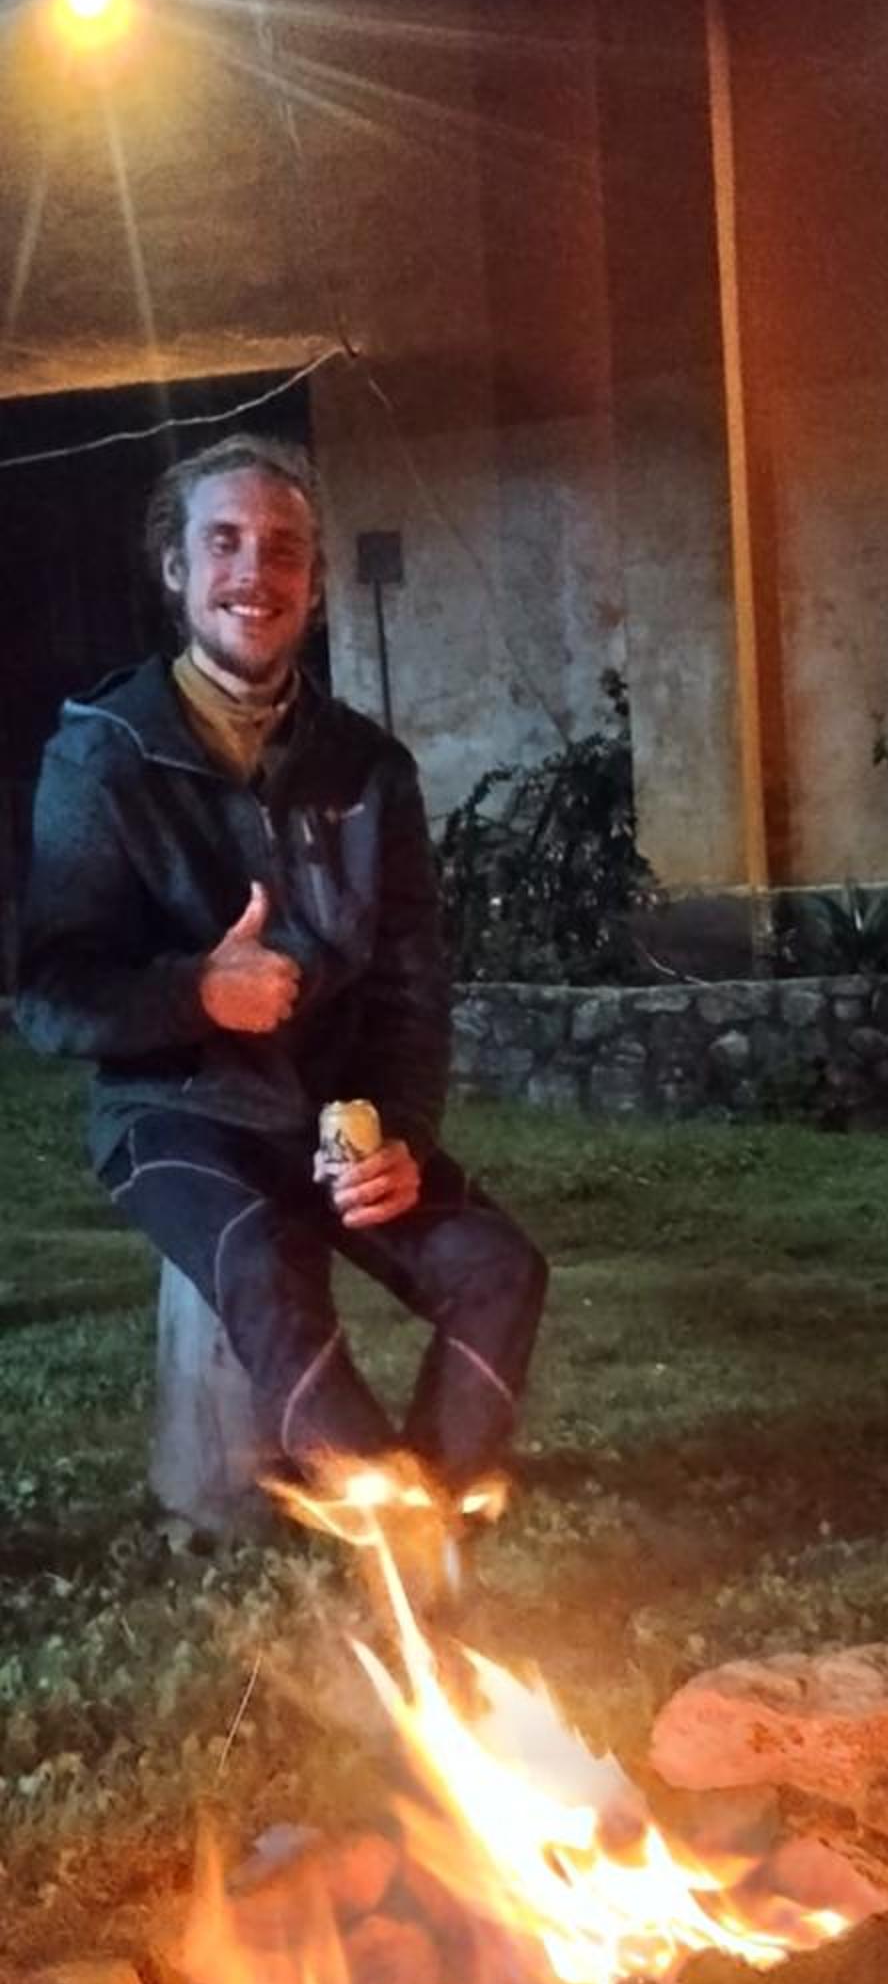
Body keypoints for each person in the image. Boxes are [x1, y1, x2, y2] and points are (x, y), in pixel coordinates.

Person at [18, 433, 547, 1519]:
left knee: (499, 1268)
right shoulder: (103, 755)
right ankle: (387, 1522)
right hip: (178, 1118)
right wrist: (197, 993)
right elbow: (51, 994)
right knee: (263, 1260)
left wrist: (401, 1138)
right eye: (224, 542)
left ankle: (429, 1526)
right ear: (177, 569)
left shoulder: (369, 768)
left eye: (284, 549)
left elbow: (409, 991)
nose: (254, 572)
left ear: (315, 584)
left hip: (335, 1121)